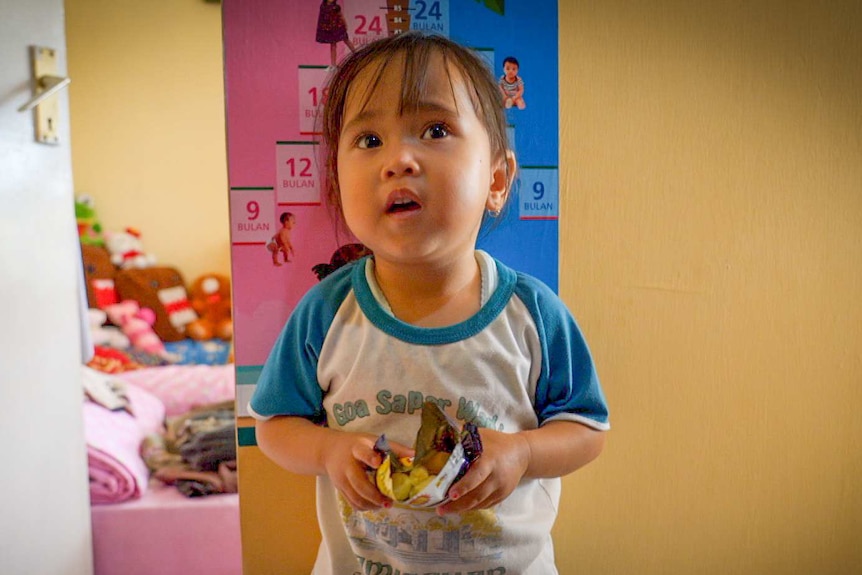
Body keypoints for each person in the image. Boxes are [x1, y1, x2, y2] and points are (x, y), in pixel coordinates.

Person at [250, 32, 609, 574]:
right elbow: (274, 425)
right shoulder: (327, 312)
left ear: (496, 179)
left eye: (436, 130)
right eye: (369, 140)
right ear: (338, 183)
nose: (398, 159)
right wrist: (326, 451)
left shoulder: (532, 315)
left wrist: (524, 453)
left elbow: (586, 430)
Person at [315, 0, 355, 68]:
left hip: (338, 27)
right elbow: (322, 18)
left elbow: (341, 16)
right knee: (333, 45)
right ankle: (333, 64)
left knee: (346, 40)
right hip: (330, 29)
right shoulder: (323, 6)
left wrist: (345, 24)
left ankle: (356, 53)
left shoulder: (336, 7)